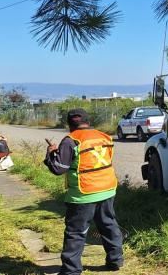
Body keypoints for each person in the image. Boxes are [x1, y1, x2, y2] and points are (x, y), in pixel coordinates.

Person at [44, 109, 123, 275]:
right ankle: (115, 261)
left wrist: (51, 153)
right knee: (108, 224)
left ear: (69, 124)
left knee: (76, 232)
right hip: (107, 189)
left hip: (84, 192)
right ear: (89, 120)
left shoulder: (71, 140)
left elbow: (58, 169)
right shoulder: (105, 136)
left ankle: (71, 270)